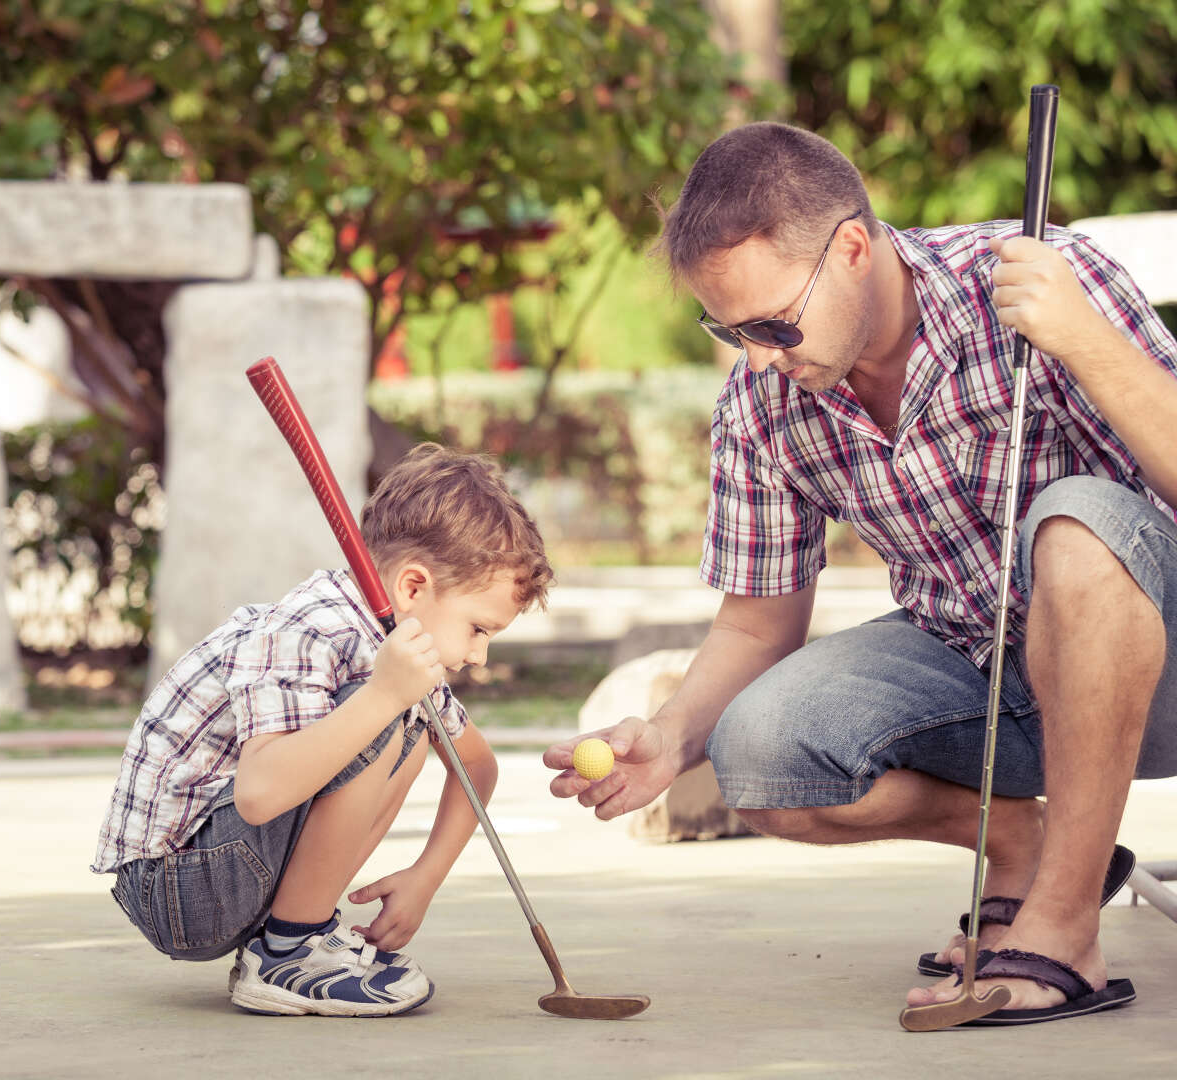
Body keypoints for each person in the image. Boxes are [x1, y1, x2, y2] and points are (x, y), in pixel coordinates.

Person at [545, 121, 1177, 1025]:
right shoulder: (765, 402)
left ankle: (1065, 925)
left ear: (850, 248)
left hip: (1156, 665)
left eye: (770, 323)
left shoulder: (1049, 277)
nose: (757, 354)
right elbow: (755, 628)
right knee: (758, 750)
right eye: (726, 329)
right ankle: (1031, 845)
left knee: (1076, 525)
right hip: (987, 676)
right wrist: (671, 735)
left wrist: (1084, 342)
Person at [94, 442, 552, 1017]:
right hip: (180, 886)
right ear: (413, 588)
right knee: (385, 714)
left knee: (404, 719)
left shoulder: (402, 652)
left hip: (232, 869)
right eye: (478, 629)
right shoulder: (307, 630)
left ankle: (293, 935)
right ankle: (288, 951)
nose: (479, 656)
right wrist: (384, 695)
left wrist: (425, 877)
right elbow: (259, 795)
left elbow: (476, 766)